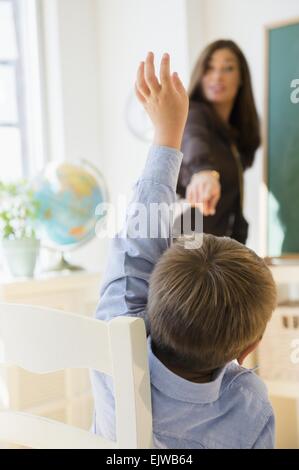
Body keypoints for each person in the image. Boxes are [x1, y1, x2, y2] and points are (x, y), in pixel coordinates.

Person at [90, 52, 277, 449]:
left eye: (228, 68)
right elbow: (201, 149)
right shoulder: (248, 404)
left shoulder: (114, 338)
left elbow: (136, 251)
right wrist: (201, 166)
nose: (217, 75)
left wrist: (164, 135)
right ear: (249, 348)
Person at [176, 40, 261, 244]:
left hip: (213, 256)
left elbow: (233, 207)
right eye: (210, 67)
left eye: (228, 68)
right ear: (201, 74)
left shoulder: (234, 137)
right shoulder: (193, 113)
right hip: (182, 252)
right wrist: (203, 171)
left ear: (241, 78)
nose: (217, 76)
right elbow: (193, 137)